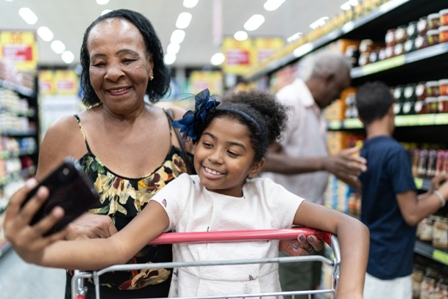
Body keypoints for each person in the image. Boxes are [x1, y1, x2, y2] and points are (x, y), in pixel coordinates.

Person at [5, 9, 320, 299]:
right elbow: (35, 220)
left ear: (151, 63)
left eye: (127, 59)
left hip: (177, 290)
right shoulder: (67, 134)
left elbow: (223, 200)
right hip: (93, 290)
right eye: (99, 63)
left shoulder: (181, 128)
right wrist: (69, 227)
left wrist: (271, 238)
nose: (113, 72)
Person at [4, 89, 369, 299]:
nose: (214, 157)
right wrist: (38, 251)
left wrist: (349, 291)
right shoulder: (181, 191)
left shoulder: (269, 196)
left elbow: (351, 227)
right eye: (207, 143)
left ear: (256, 165)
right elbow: (117, 248)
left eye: (233, 151)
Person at [262, 50, 368, 296]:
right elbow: (265, 158)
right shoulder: (291, 101)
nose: (337, 97)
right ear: (328, 78)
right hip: (291, 225)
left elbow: (311, 157)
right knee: (295, 288)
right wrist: (324, 163)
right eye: (339, 89)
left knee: (308, 288)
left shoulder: (314, 108)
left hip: (311, 220)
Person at [355, 81, 448, 299]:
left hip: (372, 255)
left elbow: (390, 201)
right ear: (391, 109)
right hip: (391, 264)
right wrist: (443, 194)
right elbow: (411, 214)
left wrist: (430, 193)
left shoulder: (367, 149)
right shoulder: (395, 152)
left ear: (360, 117)